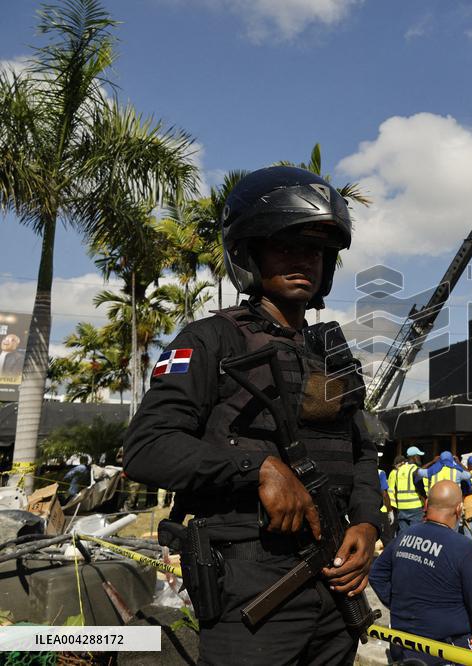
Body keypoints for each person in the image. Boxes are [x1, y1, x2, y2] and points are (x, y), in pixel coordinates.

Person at [123, 166, 382, 664]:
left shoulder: (332, 356)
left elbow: (362, 452)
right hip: (252, 591)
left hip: (334, 588)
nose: (303, 260)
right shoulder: (210, 340)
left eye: (314, 250)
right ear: (248, 253)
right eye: (284, 245)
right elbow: (146, 447)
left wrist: (367, 527)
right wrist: (256, 469)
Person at [370, 480, 472, 664]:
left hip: (402, 647)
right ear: (459, 509)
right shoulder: (463, 547)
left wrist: (401, 605)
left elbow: (376, 574)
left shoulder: (406, 535)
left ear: (425, 505)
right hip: (445, 652)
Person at [388, 449, 424, 532]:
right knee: (416, 534)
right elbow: (420, 487)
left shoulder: (398, 471)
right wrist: (425, 497)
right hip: (415, 506)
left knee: (403, 535)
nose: (419, 458)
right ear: (414, 457)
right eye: (418, 456)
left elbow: (395, 489)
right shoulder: (415, 469)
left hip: (401, 507)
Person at [379, 467, 396, 546]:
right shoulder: (380, 472)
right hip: (379, 511)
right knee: (387, 540)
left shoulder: (356, 470)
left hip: (361, 510)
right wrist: (390, 511)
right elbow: (384, 494)